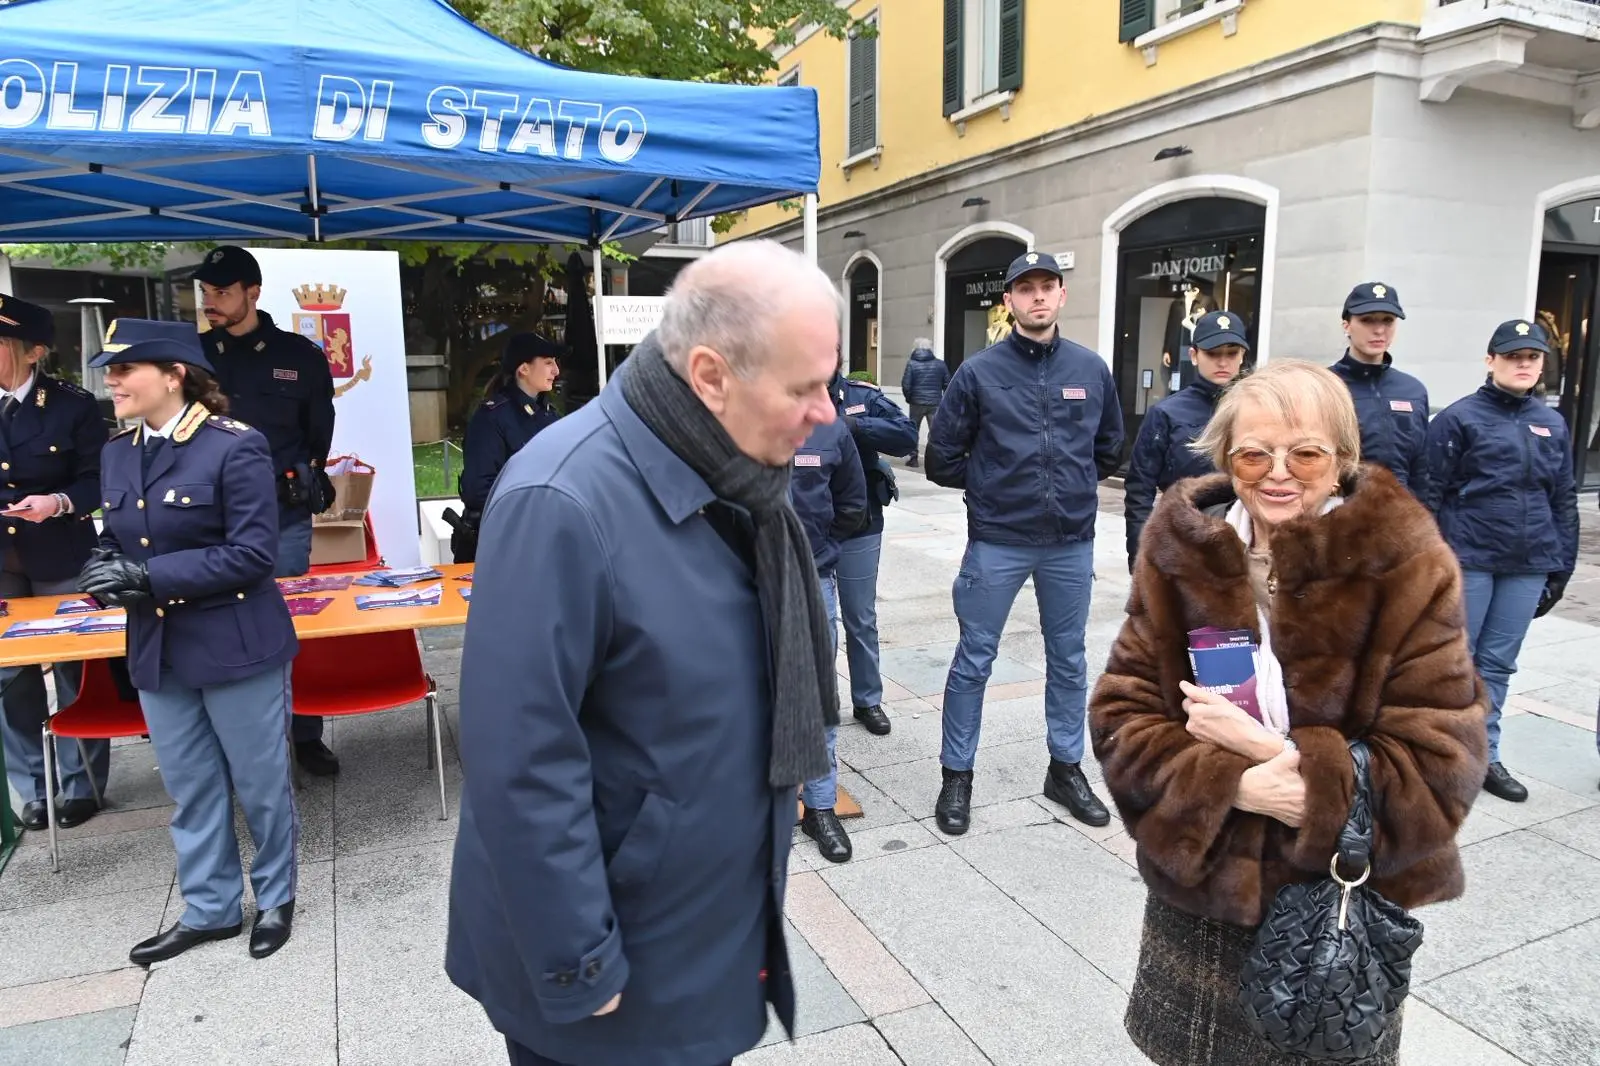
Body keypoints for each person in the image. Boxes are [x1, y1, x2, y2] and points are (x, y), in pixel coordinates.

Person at [446, 240, 843, 1066]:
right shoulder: (561, 498)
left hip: (697, 935)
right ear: (709, 376)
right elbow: (519, 762)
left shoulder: (734, 476)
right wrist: (581, 964)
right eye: (805, 388)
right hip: (608, 963)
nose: (827, 413)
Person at [1090, 360, 1486, 1066]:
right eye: (1254, 452)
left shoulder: (1406, 562)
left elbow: (1446, 758)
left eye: (1305, 452)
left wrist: (1284, 765)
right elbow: (1122, 714)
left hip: (1337, 902)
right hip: (1206, 901)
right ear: (1227, 457)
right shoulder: (1181, 550)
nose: (1278, 472)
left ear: (1340, 461)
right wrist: (1229, 784)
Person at [76, 319, 300, 965]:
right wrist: (103, 564)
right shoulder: (118, 450)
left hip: (235, 643)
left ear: (174, 375)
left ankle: (277, 898)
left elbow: (255, 554)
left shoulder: (235, 446)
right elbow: (123, 531)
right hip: (158, 648)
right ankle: (211, 909)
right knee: (192, 785)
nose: (111, 379)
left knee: (260, 784)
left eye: (125, 368)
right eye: (109, 369)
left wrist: (144, 575)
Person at [925, 250, 1124, 835]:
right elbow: (942, 459)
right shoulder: (979, 373)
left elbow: (1110, 449)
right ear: (1008, 301)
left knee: (1069, 660)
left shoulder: (1090, 371)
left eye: (1047, 286)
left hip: (1070, 542)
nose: (1037, 297)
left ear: (1061, 295)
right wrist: (995, 487)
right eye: (1025, 289)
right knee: (974, 660)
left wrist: (1065, 489)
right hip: (999, 542)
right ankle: (956, 774)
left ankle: (1065, 768)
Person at [194, 245, 338, 776]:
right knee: (219, 627)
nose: (212, 302)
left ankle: (303, 735)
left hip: (281, 511)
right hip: (206, 518)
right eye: (206, 292)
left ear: (252, 293)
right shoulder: (191, 355)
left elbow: (317, 430)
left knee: (288, 626)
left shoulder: (299, 355)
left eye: (223, 292)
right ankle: (237, 745)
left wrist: (303, 474)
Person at [1420, 319, 1577, 804]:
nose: (1524, 364)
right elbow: (1429, 493)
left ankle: (1485, 755)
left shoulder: (1551, 422)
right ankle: (1443, 759)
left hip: (1528, 562)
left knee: (1498, 665)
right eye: (1513, 356)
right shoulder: (1460, 418)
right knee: (1456, 664)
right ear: (1491, 361)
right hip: (1471, 558)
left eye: (1532, 357)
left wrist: (1561, 566)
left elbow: (1563, 497)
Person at [0, 294, 110, 832]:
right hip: (2, 558)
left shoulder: (73, 405)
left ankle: (81, 785)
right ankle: (34, 789)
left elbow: (97, 478)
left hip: (60, 549)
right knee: (10, 673)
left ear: (33, 351)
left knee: (75, 666)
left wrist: (59, 502)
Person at [791, 415, 869, 863]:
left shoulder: (830, 429)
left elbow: (852, 500)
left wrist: (821, 545)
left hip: (813, 575)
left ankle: (821, 805)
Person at [1123, 310, 1247, 570]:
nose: (1223, 362)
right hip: (1185, 542)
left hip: (1247, 540)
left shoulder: (1257, 409)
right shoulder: (1167, 413)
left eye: (1231, 353)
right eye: (1213, 353)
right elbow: (1139, 490)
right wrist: (1140, 554)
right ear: (1194, 355)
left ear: (1242, 356)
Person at [832, 357, 917, 738]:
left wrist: (856, 425)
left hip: (859, 524)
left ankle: (867, 699)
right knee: (813, 623)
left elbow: (905, 434)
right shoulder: (786, 395)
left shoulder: (860, 396)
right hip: (804, 526)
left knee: (860, 618)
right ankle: (819, 703)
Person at [452, 332, 563, 564]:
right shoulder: (491, 418)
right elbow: (478, 490)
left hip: (542, 542)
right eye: (548, 363)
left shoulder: (549, 415)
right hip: (503, 546)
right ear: (523, 369)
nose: (556, 371)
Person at [1328, 281, 1429, 492]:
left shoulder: (1413, 391)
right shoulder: (1325, 385)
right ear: (1346, 325)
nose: (1379, 330)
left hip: (1399, 515)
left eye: (1388, 320)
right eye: (1367, 320)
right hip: (1338, 513)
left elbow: (1422, 467)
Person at [899, 338, 948, 468]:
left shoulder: (911, 364)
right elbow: (948, 384)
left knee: (913, 431)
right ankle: (936, 460)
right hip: (935, 403)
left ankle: (913, 459)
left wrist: (910, 398)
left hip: (916, 403)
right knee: (936, 432)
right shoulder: (940, 364)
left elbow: (906, 385)